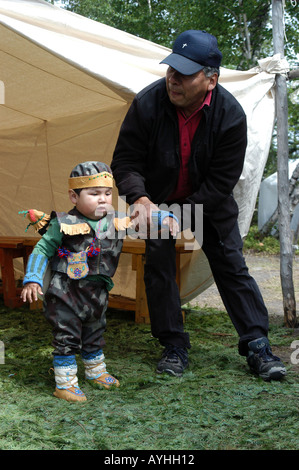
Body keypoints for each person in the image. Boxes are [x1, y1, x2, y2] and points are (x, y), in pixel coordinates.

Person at [111, 30, 286, 381]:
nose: (173, 79)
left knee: (230, 263)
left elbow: (223, 181)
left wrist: (185, 212)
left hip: (209, 201)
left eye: (185, 73)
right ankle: (173, 345)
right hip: (157, 200)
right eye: (171, 69)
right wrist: (141, 200)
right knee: (158, 264)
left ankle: (257, 344)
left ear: (211, 80)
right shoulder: (147, 103)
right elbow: (126, 162)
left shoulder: (231, 116)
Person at [20, 162, 126, 402]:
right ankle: (65, 383)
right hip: (65, 293)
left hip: (97, 292)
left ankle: (95, 371)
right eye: (94, 193)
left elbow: (144, 223)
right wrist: (33, 279)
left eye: (108, 193)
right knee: (66, 335)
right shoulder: (63, 222)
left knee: (95, 330)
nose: (103, 200)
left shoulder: (116, 221)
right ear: (74, 196)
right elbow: (42, 248)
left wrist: (162, 218)